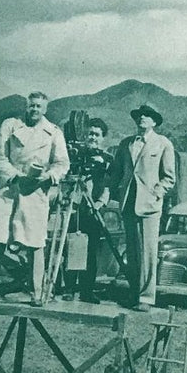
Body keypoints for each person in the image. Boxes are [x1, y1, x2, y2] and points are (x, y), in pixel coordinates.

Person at [0, 91, 70, 304]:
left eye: (39, 106)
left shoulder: (53, 132)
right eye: (31, 105)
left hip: (35, 192)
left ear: (45, 109)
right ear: (26, 106)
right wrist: (13, 175)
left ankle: (37, 291)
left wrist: (48, 177)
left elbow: (62, 164)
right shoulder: (10, 125)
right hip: (8, 189)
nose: (34, 109)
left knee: (35, 241)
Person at [109, 102, 176, 311]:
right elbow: (116, 172)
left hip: (150, 206)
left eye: (147, 115)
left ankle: (146, 298)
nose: (142, 119)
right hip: (129, 204)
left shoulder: (163, 143)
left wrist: (157, 193)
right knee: (133, 251)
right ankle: (133, 293)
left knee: (148, 252)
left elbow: (169, 178)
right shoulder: (126, 143)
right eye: (139, 115)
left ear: (154, 121)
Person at [68, 117, 113, 303]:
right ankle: (69, 288)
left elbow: (110, 185)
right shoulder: (78, 155)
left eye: (96, 134)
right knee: (72, 246)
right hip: (76, 206)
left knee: (91, 251)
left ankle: (87, 290)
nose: (93, 137)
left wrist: (100, 203)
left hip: (94, 208)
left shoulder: (108, 160)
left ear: (103, 138)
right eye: (90, 134)